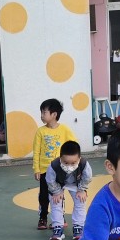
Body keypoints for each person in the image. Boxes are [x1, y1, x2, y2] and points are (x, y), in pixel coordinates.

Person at [32, 98, 76, 231]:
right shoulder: (40, 131)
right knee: (44, 195)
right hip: (45, 170)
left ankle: (59, 218)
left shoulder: (64, 130)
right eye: (41, 112)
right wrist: (36, 169)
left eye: (44, 112)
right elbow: (36, 151)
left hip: (60, 170)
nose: (41, 115)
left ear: (54, 114)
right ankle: (43, 218)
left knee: (58, 194)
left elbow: (73, 146)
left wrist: (73, 164)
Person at [45, 140, 92, 240]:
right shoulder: (54, 165)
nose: (69, 166)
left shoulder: (84, 164)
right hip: (58, 184)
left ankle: (79, 227)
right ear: (60, 158)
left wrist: (82, 190)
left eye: (73, 163)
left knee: (80, 201)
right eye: (66, 163)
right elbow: (50, 180)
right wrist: (56, 192)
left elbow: (87, 177)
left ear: (79, 159)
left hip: (76, 184)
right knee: (55, 202)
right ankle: (58, 228)